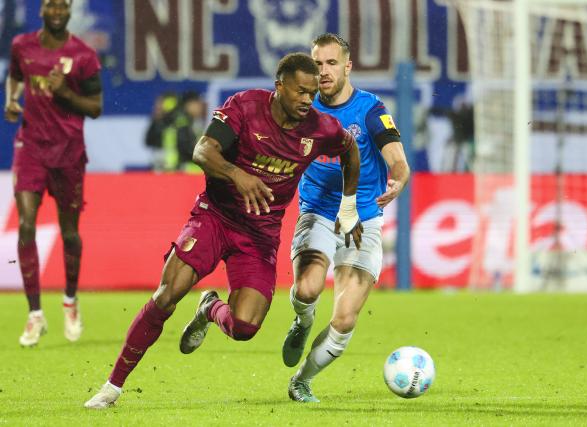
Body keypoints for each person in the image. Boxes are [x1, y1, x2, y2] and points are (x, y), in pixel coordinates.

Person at [84, 52, 362, 409]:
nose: (308, 100)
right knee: (168, 294)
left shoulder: (320, 128)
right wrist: (237, 175)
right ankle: (112, 387)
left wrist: (349, 205)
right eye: (300, 92)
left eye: (312, 93)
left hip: (259, 236)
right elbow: (203, 150)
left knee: (245, 327)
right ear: (279, 87)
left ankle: (209, 307)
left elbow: (349, 150)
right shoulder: (245, 107)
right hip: (214, 217)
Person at [282, 33, 410, 403]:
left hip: (364, 219)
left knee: (344, 319)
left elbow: (398, 159)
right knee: (306, 291)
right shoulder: (300, 110)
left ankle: (301, 380)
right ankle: (302, 322)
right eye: (317, 64)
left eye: (331, 63)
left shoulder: (370, 110)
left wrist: (398, 179)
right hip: (318, 212)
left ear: (347, 66)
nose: (323, 71)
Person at [3, 0, 103, 347]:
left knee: (70, 232)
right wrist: (11, 100)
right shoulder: (22, 46)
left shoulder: (84, 55)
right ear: (42, 9)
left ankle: (70, 301)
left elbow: (96, 107)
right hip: (29, 147)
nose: (57, 10)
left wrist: (64, 93)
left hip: (68, 153)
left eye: (63, 5)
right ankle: (35, 314)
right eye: (51, 4)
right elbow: (14, 77)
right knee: (26, 224)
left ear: (69, 10)